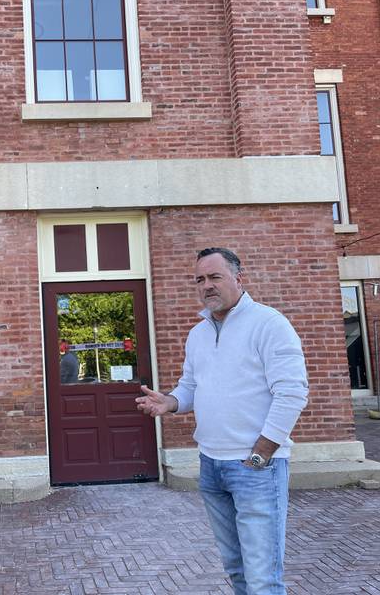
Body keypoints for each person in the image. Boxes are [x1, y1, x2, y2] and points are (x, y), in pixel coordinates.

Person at [136, 248, 308, 595]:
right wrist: (169, 402)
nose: (206, 286)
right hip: (211, 464)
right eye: (200, 279)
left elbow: (292, 392)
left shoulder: (269, 323)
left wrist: (262, 452)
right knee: (237, 570)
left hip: (256, 469)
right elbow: (191, 386)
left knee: (262, 578)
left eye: (215, 277)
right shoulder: (198, 334)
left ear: (238, 279)